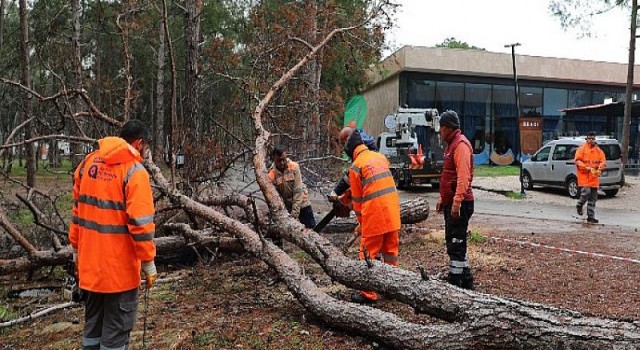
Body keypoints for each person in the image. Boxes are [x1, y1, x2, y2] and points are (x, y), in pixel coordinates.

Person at [69, 120, 157, 350]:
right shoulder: (134, 172)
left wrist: (76, 250)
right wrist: (148, 261)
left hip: (90, 270)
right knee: (116, 334)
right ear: (139, 143)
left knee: (93, 330)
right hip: (119, 274)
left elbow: (77, 213)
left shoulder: (87, 164)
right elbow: (141, 224)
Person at [343, 129, 401, 304]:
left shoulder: (356, 167)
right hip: (392, 213)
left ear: (351, 151)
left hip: (375, 217)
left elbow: (358, 202)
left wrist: (361, 225)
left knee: (367, 254)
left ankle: (368, 294)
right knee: (390, 253)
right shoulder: (380, 158)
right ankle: (393, 289)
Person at [436, 110, 475, 290]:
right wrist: (442, 199)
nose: (439, 131)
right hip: (452, 202)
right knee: (456, 241)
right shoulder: (451, 145)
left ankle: (455, 282)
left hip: (460, 204)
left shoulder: (460, 146)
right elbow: (447, 176)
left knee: (456, 244)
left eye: (441, 128)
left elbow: (463, 177)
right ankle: (466, 280)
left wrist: (457, 202)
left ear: (449, 128)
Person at [268, 146, 316, 229]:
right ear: (274, 159)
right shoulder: (271, 175)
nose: (282, 163)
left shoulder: (294, 167)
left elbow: (298, 190)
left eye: (284, 159)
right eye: (279, 161)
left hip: (302, 203)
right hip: (288, 205)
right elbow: (276, 197)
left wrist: (294, 214)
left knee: (312, 230)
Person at [574, 131, 606, 224]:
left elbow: (603, 161)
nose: (591, 140)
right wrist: (585, 167)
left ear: (595, 139)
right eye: (590, 138)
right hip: (584, 176)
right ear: (586, 139)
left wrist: (600, 168)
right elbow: (577, 160)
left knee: (593, 198)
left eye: (593, 138)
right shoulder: (581, 149)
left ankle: (591, 217)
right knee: (586, 193)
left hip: (594, 177)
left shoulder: (599, 151)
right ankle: (579, 205)